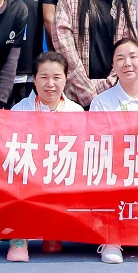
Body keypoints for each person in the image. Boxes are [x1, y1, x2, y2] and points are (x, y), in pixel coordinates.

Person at [89, 37, 138, 264]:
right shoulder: (101, 102)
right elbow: (97, 144)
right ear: (113, 65)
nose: (127, 63)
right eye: (120, 59)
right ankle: (111, 239)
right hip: (114, 170)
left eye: (133, 57)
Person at [5, 50, 83, 261]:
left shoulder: (76, 112)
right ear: (34, 79)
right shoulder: (19, 110)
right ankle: (19, 236)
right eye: (44, 77)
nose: (50, 84)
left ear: (66, 79)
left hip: (63, 173)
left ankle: (53, 231)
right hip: (28, 174)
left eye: (57, 77)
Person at [53, 0, 138, 104]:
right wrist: (86, 89)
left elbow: (129, 44)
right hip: (76, 92)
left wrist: (109, 85)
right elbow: (62, 40)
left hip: (115, 91)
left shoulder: (126, 0)